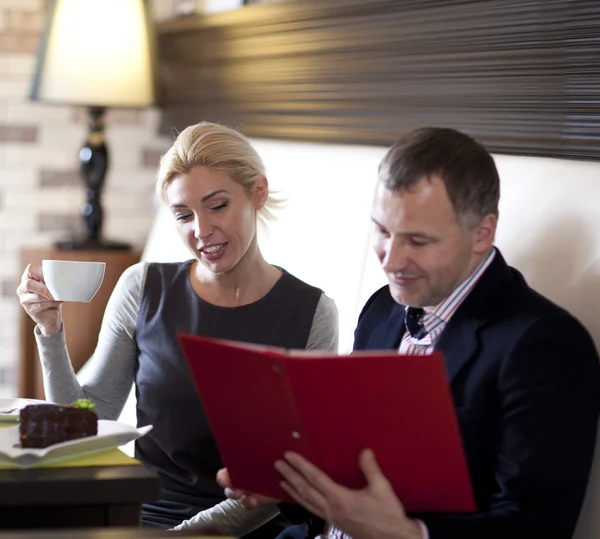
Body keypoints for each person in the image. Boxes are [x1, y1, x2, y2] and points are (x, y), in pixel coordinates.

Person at [212, 127, 600, 539]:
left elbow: (536, 526)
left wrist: (406, 534)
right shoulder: (383, 309)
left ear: (482, 233)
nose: (391, 259)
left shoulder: (545, 346)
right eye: (382, 230)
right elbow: (351, 467)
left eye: (417, 240)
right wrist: (286, 481)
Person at [16, 121, 339, 537]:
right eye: (184, 215)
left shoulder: (312, 313)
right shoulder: (143, 287)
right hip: (140, 519)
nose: (201, 231)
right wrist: (50, 330)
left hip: (250, 530)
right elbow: (84, 423)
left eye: (217, 205)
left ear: (258, 193)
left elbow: (284, 478)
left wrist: (182, 537)